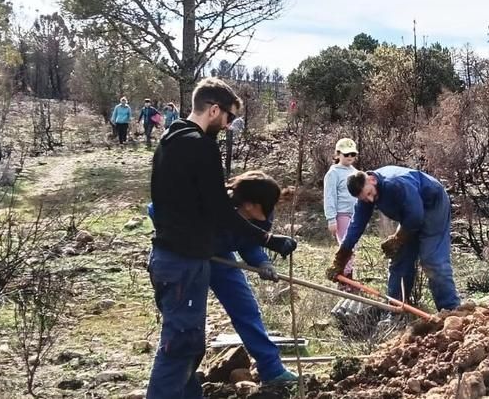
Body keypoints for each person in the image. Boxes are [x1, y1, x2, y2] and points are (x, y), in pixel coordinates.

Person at [145, 78, 298, 399]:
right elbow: (219, 210)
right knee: (181, 345)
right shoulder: (200, 146)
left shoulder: (169, 140)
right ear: (214, 110)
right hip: (184, 261)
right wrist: (269, 239)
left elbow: (183, 203)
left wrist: (262, 256)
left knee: (189, 344)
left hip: (182, 257)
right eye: (228, 117)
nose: (228, 125)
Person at [147, 171, 298, 386]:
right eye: (266, 205)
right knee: (187, 325)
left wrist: (262, 262)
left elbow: (250, 240)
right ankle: (183, 384)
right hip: (187, 259)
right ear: (249, 204)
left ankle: (272, 369)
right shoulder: (209, 203)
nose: (271, 210)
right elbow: (155, 209)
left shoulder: (262, 215)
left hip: (222, 259)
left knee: (246, 308)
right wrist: (183, 237)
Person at [326, 166, 460, 312]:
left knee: (432, 260)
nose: (370, 199)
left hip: (433, 204)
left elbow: (416, 217)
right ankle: (396, 311)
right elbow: (356, 226)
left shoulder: (395, 184)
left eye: (369, 194)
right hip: (410, 214)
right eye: (364, 198)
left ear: (372, 180)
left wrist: (398, 239)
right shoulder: (366, 193)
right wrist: (340, 259)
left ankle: (451, 310)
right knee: (399, 259)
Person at [323, 138, 359, 285]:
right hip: (341, 214)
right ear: (338, 154)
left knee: (353, 246)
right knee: (346, 246)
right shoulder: (333, 173)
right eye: (346, 154)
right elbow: (329, 196)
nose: (350, 157)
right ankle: (345, 279)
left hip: (355, 214)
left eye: (352, 154)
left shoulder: (356, 172)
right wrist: (331, 218)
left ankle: (348, 276)